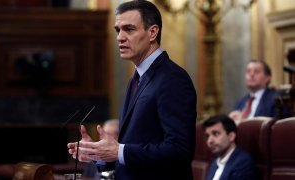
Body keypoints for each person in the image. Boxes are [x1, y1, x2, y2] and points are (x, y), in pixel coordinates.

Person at [67, 1, 197, 180]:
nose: (120, 37)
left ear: (152, 32)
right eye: (117, 30)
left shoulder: (172, 79)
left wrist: (119, 150)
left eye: (129, 29)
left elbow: (179, 151)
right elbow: (134, 150)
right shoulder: (136, 79)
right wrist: (99, 154)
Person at [203, 114, 256, 180]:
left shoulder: (243, 163)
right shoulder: (214, 162)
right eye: (207, 136)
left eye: (216, 134)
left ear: (231, 136)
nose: (210, 141)